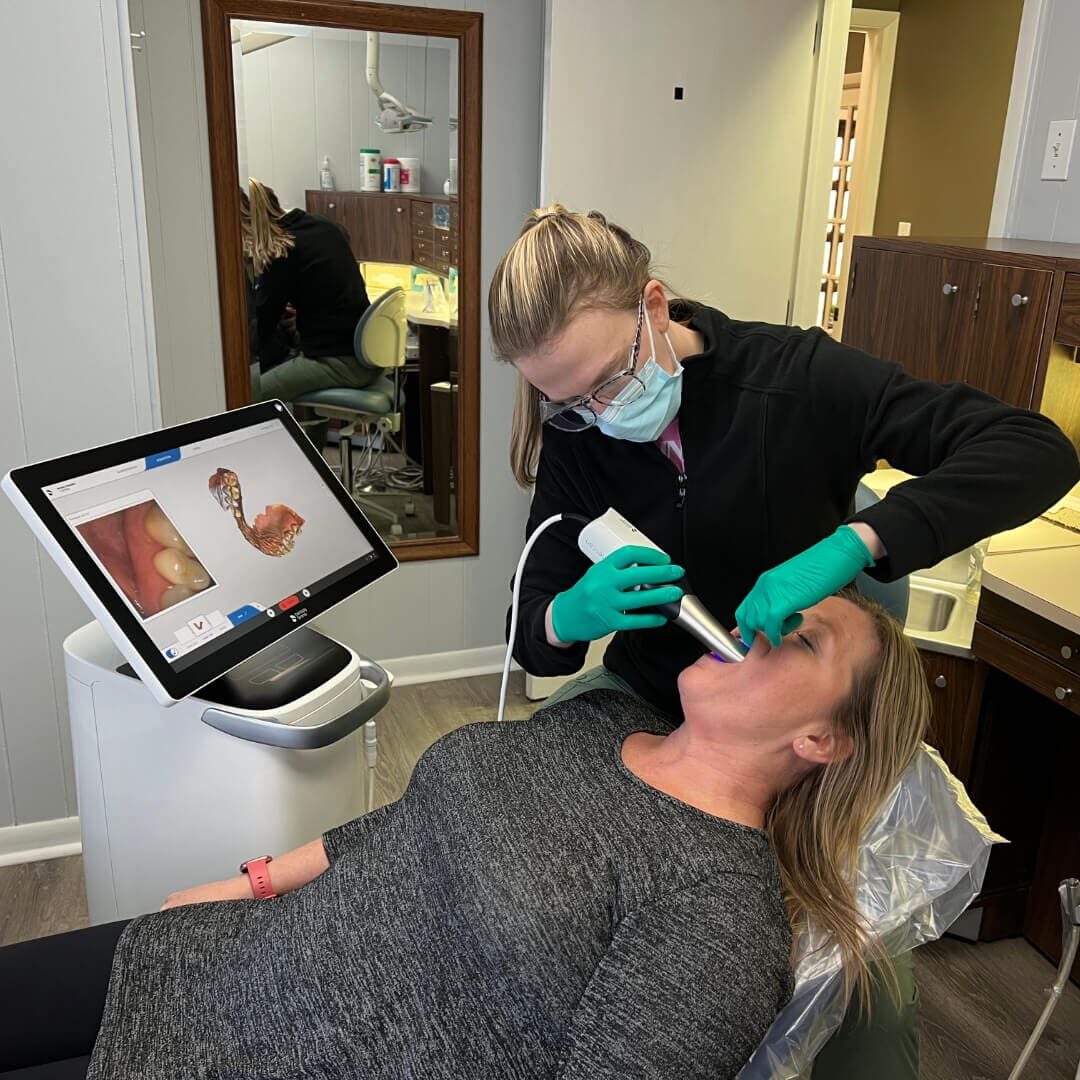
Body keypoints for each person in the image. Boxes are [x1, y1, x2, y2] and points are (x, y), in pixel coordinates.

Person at [487, 205, 1080, 1079]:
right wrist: (566, 615)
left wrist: (859, 543)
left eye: (606, 383)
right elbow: (531, 635)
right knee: (548, 896)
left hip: (779, 727)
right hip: (650, 692)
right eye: (566, 403)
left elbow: (1033, 451)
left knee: (861, 990)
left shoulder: (799, 379)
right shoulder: (579, 436)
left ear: (655, 305)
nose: (599, 415)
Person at [1, 592, 927, 1080]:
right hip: (218, 960)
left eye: (802, 642)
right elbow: (412, 825)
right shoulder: (597, 722)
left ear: (823, 739)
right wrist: (250, 883)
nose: (759, 628)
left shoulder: (719, 916)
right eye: (773, 612)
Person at [241, 178, 374, 413]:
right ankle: (313, 447)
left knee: (243, 390)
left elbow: (263, 325)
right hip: (365, 354)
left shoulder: (280, 251)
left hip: (338, 361)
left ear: (248, 225)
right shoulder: (323, 225)